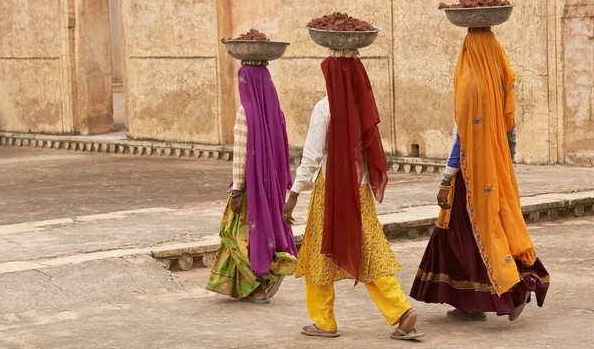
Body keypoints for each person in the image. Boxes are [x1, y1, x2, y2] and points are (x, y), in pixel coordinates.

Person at [283, 49, 425, 340]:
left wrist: (295, 192)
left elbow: (311, 157)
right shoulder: (364, 107)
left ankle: (324, 321)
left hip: (330, 191)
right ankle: (401, 311)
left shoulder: (324, 107)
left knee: (319, 252)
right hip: (360, 192)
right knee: (370, 250)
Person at [410, 27, 550, 320]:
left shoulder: (471, 84)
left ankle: (511, 290)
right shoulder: (500, 78)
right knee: (492, 230)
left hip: (470, 177)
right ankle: (472, 302)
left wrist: (446, 179)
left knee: (464, 236)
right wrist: (503, 167)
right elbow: (509, 127)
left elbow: (462, 136)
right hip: (495, 170)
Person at [206, 61, 297, 304]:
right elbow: (283, 148)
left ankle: (257, 285)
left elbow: (241, 154)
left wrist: (237, 189)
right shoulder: (276, 111)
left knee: (237, 234)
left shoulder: (245, 111)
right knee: (266, 231)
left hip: (251, 187)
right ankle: (264, 279)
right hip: (272, 185)